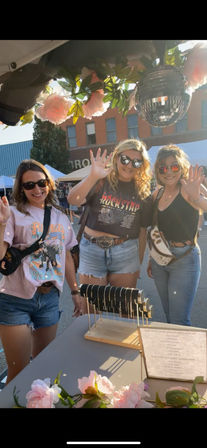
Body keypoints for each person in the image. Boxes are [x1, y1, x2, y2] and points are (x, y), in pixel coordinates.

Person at [0, 159, 82, 384]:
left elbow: (66, 257)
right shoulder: (13, 214)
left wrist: (75, 292)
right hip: (15, 299)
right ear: (21, 189)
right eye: (29, 185)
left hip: (48, 299)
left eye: (41, 183)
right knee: (18, 371)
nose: (37, 189)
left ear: (49, 183)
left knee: (43, 365)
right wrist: (1, 224)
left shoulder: (60, 217)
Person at [67, 139, 152, 293]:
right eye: (125, 159)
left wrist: (137, 263)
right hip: (91, 250)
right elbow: (73, 199)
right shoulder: (100, 179)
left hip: (126, 252)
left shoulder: (143, 192)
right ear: (116, 157)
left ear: (142, 166)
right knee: (90, 309)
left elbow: (142, 231)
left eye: (137, 162)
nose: (129, 165)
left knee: (125, 308)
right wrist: (92, 176)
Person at [147, 144, 207, 326]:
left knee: (179, 320)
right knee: (169, 318)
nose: (169, 172)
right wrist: (153, 257)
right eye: (163, 167)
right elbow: (155, 227)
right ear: (158, 170)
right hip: (160, 259)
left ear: (181, 167)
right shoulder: (157, 193)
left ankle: (184, 355)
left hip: (185, 259)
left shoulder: (189, 188)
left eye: (174, 166)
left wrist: (197, 197)